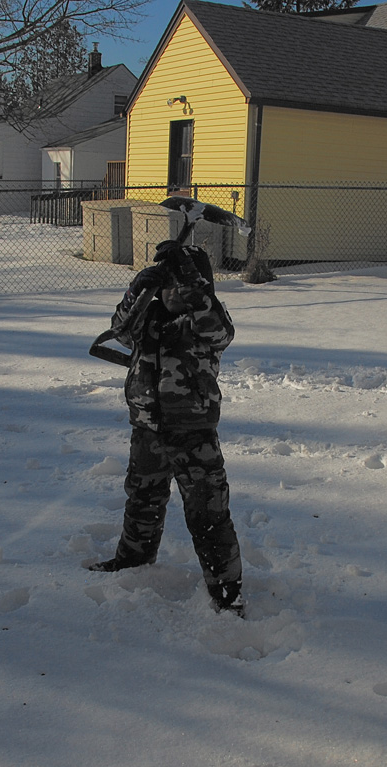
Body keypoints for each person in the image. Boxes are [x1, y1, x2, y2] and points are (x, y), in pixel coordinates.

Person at [89, 239, 244, 615]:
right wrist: (138, 288)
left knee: (208, 511)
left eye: (179, 285)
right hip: (147, 428)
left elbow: (220, 331)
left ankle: (226, 591)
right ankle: (133, 559)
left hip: (194, 434)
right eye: (168, 285)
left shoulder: (205, 320)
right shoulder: (149, 316)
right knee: (142, 497)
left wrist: (193, 282)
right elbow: (120, 329)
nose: (171, 293)